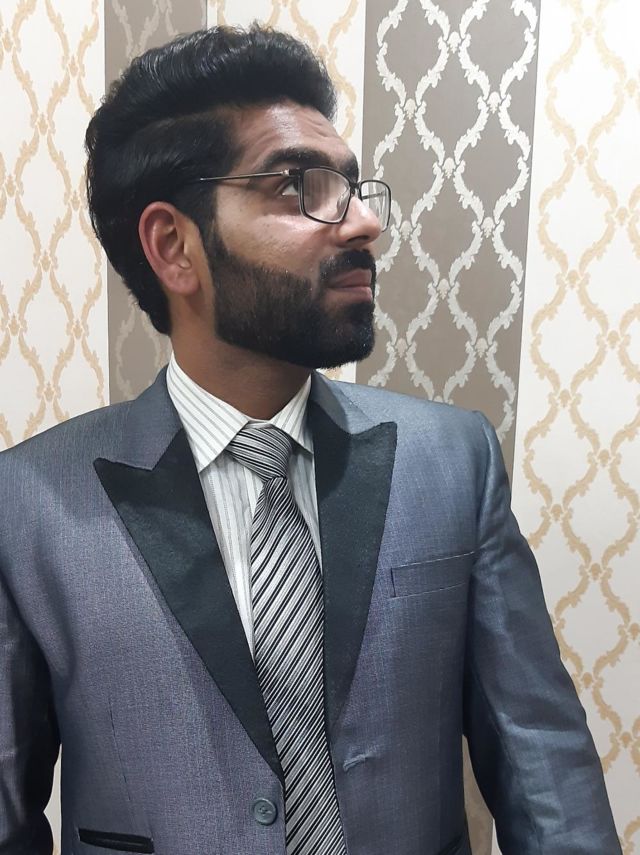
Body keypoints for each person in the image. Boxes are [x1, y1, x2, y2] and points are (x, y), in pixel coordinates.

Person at [0, 24, 621, 855]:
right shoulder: (30, 505)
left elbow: (547, 773)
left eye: (353, 187)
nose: (363, 223)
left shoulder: (452, 461)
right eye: (300, 187)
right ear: (173, 246)